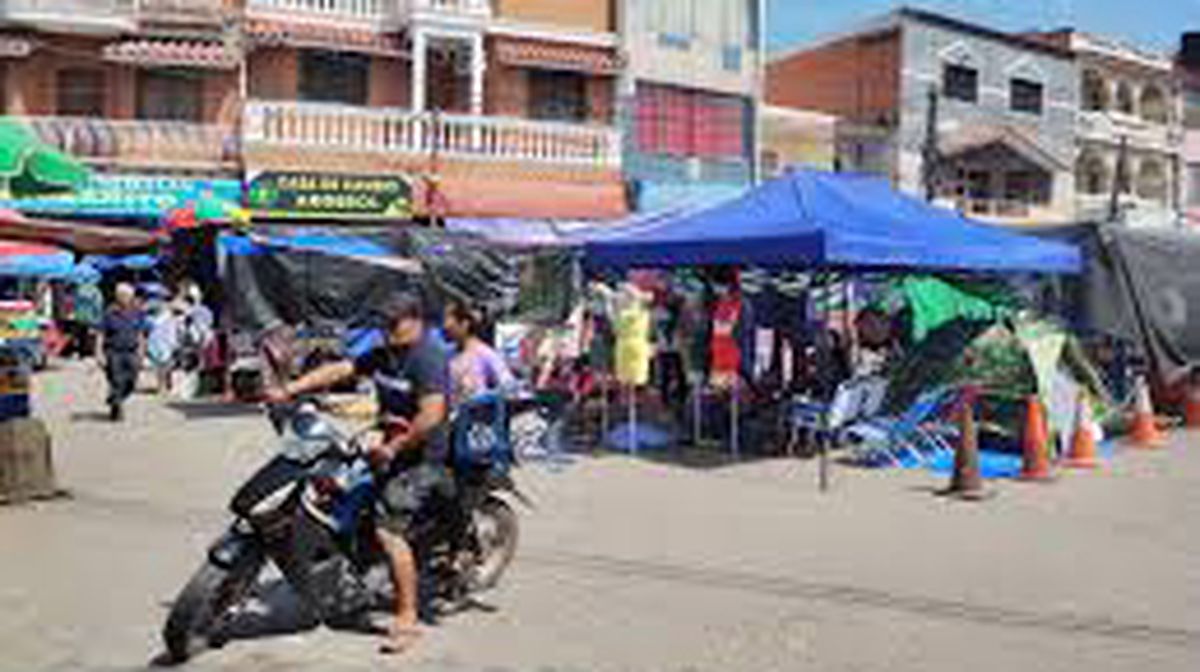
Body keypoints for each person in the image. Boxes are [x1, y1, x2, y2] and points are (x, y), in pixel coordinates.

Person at [268, 294, 449, 655]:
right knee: (333, 489)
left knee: (388, 530)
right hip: (384, 445)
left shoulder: (427, 357)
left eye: (393, 323)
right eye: (383, 322)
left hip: (422, 458)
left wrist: (395, 447)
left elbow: (433, 413)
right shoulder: (386, 353)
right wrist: (289, 389)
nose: (386, 330)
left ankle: (407, 616)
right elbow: (342, 369)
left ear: (416, 320)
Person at [443, 299, 513, 407]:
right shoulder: (448, 354)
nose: (445, 328)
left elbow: (508, 384)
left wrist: (484, 396)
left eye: (451, 327)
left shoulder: (485, 353)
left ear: (464, 324)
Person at [96, 283, 149, 421]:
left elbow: (141, 334)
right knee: (116, 380)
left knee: (131, 381)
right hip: (114, 352)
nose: (126, 298)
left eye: (129, 296)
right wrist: (99, 354)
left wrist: (142, 352)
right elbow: (101, 334)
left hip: (131, 351)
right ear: (118, 297)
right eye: (123, 296)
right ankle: (117, 405)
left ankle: (115, 398)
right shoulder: (109, 313)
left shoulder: (137, 313)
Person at [147, 300, 182, 396]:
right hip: (163, 344)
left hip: (162, 344)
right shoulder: (164, 319)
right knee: (164, 367)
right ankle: (163, 387)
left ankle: (162, 387)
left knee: (163, 367)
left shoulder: (159, 319)